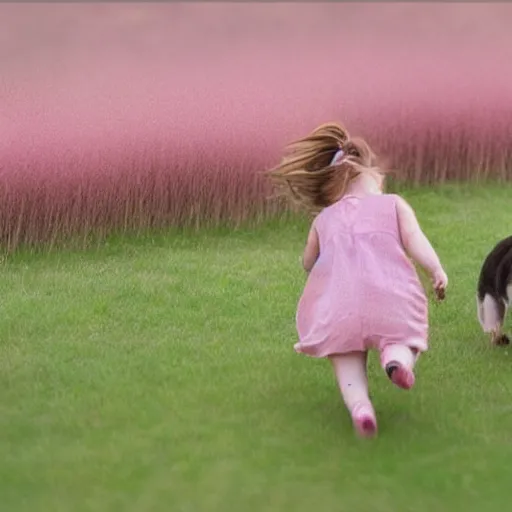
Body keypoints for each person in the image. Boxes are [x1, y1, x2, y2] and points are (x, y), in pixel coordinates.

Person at [267, 122, 448, 438]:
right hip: (391, 299)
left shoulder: (324, 219)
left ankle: (360, 407)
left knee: (346, 360)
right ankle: (396, 360)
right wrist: (436, 270)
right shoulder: (393, 204)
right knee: (404, 335)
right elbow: (416, 239)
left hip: (341, 307)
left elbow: (308, 262)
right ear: (372, 173)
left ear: (333, 185)